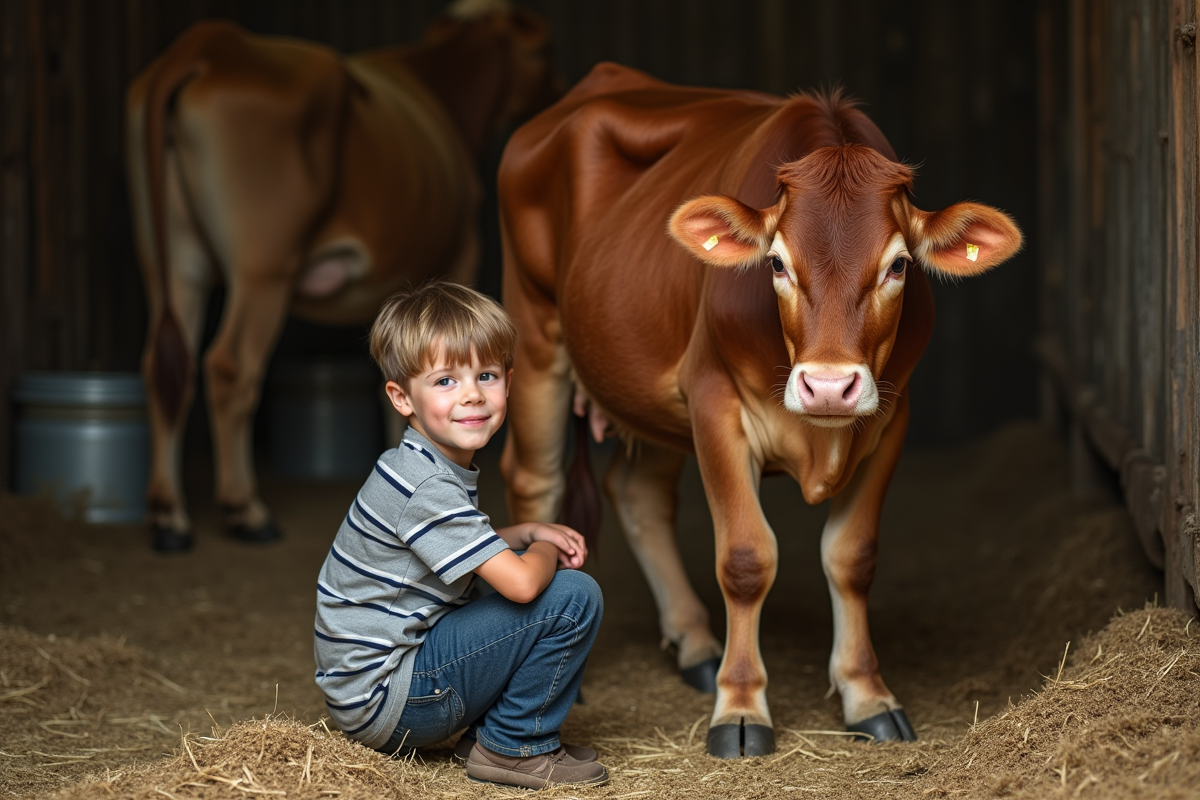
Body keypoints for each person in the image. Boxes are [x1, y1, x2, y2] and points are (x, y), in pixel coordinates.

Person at [313, 282, 607, 789]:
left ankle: (491, 735)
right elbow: (520, 585)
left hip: (376, 691)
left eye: (486, 375)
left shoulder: (420, 465)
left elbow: (466, 542)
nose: (472, 393)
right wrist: (541, 548)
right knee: (571, 598)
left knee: (514, 591)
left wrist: (528, 529)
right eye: (446, 380)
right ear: (401, 397)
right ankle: (515, 746)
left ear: (508, 384)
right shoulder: (423, 483)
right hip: (391, 699)